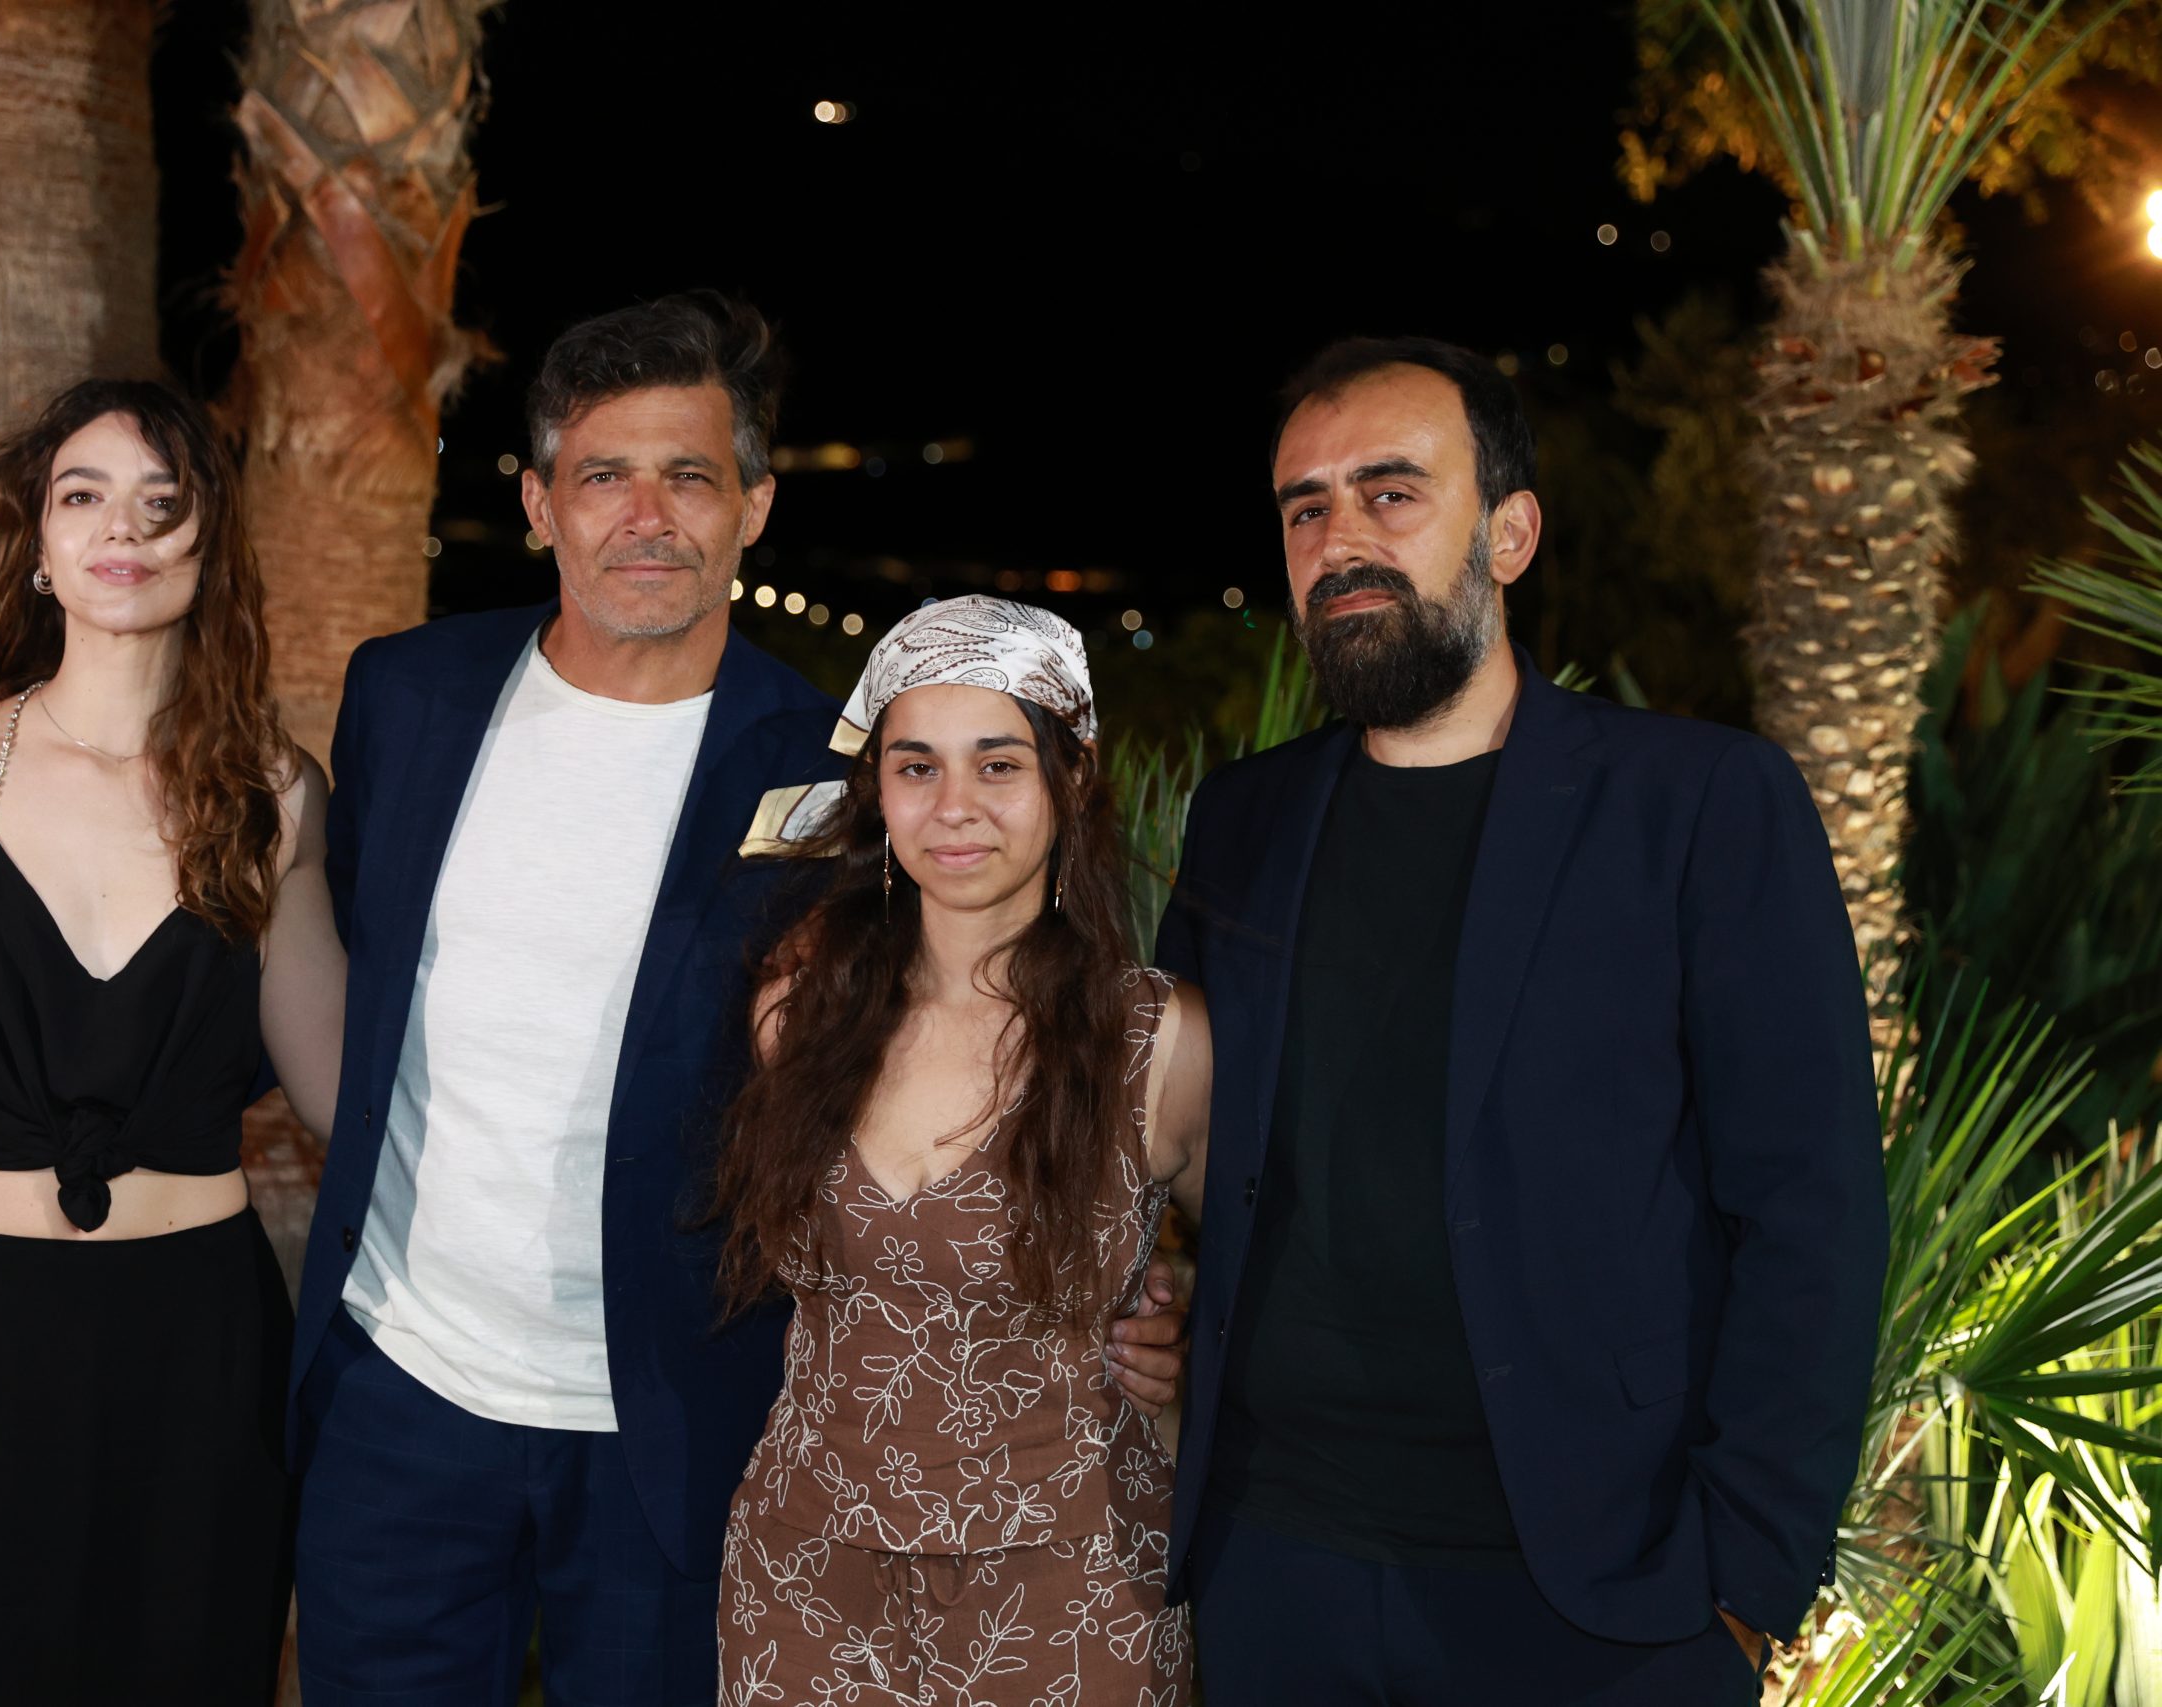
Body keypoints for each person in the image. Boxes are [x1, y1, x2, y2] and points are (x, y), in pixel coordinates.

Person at [289, 294, 1188, 1706]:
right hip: (402, 1399)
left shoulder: (835, 771)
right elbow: (346, 965)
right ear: (538, 502)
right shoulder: (408, 695)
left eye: (691, 476)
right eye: (604, 474)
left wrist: (1138, 1271)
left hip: (677, 1421)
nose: (647, 516)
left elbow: (967, 1023)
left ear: (754, 506)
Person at [1156, 336, 1887, 1705]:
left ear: (1510, 532)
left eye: (1390, 493)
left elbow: (1814, 1208)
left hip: (1600, 1595)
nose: (1339, 540)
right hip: (1279, 1566)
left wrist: (1743, 1583)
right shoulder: (1243, 821)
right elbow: (1202, 1151)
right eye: (1305, 508)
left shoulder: (1697, 806)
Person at [0, 378, 346, 1702]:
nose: (121, 528)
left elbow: (344, 1090)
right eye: (82, 495)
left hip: (195, 1357)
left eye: (162, 501)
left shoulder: (275, 792)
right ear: (39, 543)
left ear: (209, 544)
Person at [711, 595, 1209, 1706]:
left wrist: (1179, 1331)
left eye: (997, 765)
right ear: (876, 790)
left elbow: (1283, 1281)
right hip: (805, 1584)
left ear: (1070, 780)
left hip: (1074, 1594)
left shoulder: (1157, 1042)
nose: (954, 807)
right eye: (916, 766)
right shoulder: (799, 1010)